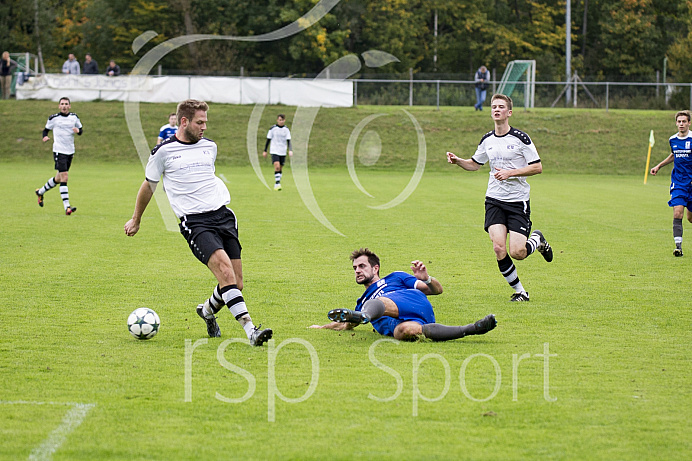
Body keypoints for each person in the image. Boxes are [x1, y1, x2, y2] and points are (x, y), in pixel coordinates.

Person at [124, 99, 273, 346]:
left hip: (224, 216)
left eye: (205, 122)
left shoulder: (209, 146)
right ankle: (251, 331)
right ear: (184, 121)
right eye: (199, 122)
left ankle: (206, 311)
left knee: (236, 283)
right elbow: (149, 185)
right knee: (225, 273)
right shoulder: (163, 152)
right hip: (195, 222)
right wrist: (136, 219)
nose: (204, 127)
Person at [446, 93, 553, 302]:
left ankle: (537, 240)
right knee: (498, 247)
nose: (496, 109)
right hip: (494, 199)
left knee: (518, 252)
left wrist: (510, 173)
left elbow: (537, 167)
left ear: (509, 112)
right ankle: (521, 291)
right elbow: (475, 164)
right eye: (494, 106)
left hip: (517, 201)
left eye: (501, 107)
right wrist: (459, 161)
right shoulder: (487, 140)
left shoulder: (521, 139)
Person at [310, 248, 496, 341]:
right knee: (405, 332)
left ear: (375, 268)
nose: (357, 271)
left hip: (410, 301)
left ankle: (365, 316)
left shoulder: (395, 277)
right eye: (354, 268)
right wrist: (322, 327)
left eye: (361, 266)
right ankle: (473, 328)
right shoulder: (362, 301)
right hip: (404, 321)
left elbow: (436, 290)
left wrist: (427, 278)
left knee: (379, 301)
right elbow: (344, 325)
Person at [649, 110, 692, 257]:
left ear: (689, 123)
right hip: (679, 182)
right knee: (678, 212)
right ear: (676, 123)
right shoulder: (672, 139)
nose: (681, 124)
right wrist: (658, 166)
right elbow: (673, 155)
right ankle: (678, 247)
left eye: (684, 121)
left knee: (690, 218)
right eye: (679, 121)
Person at [35, 97, 82, 215]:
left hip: (70, 151)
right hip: (59, 151)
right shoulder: (54, 118)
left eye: (66, 104)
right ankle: (67, 207)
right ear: (59, 106)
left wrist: (78, 131)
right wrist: (44, 137)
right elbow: (45, 130)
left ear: (70, 106)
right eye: (62, 104)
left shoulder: (74, 117)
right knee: (64, 177)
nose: (64, 106)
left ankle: (40, 192)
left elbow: (81, 130)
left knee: (58, 178)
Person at [262, 114, 293, 190]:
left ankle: (278, 182)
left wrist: (290, 150)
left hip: (282, 150)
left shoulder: (286, 130)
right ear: (277, 120)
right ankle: (277, 184)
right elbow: (268, 140)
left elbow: (288, 140)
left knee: (280, 168)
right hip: (274, 150)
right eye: (279, 120)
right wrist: (265, 150)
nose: (281, 121)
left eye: (282, 120)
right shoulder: (273, 129)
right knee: (277, 166)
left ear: (284, 120)